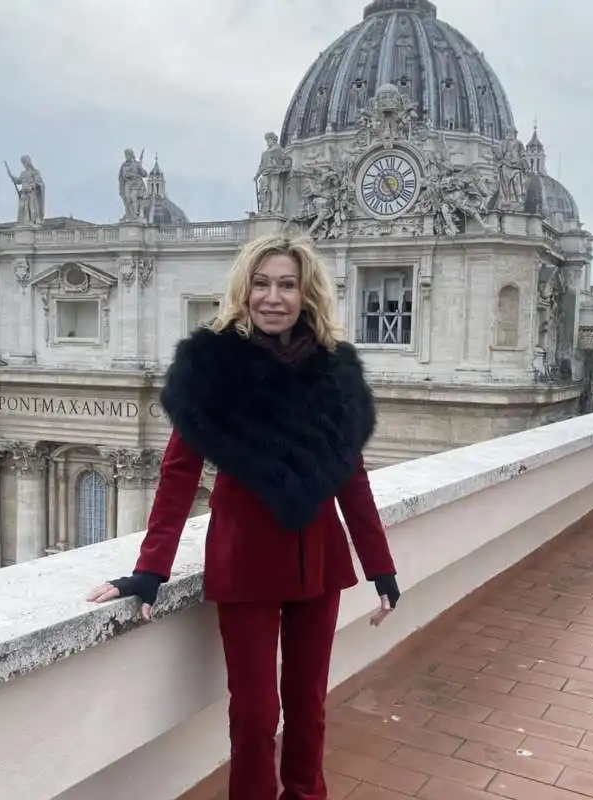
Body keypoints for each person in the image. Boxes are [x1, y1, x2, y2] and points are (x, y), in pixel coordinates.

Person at [88, 231, 400, 800]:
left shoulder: (334, 371)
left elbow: (350, 475)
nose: (273, 297)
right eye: (261, 284)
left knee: (308, 706)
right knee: (255, 714)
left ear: (307, 295)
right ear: (244, 291)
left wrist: (381, 567)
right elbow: (179, 472)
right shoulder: (213, 368)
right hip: (244, 562)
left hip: (317, 562)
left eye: (287, 284)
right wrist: (150, 569)